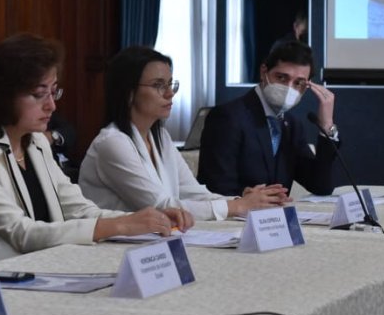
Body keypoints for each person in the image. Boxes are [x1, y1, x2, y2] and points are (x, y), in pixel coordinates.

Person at [0, 34, 192, 260]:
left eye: (54, 92)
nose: (52, 106)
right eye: (40, 94)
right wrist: (122, 225)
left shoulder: (35, 142)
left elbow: (80, 210)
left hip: (50, 266)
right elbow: (20, 232)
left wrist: (148, 218)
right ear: (4, 93)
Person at [79, 47, 285, 221]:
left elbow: (192, 191)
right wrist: (237, 207)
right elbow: (161, 206)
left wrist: (240, 201)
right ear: (128, 92)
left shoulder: (159, 135)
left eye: (170, 84)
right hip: (109, 248)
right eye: (158, 85)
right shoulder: (112, 143)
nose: (170, 93)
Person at [197, 41, 339, 198]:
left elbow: (321, 186)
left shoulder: (291, 125)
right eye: (281, 78)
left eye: (298, 83)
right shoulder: (228, 117)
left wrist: (327, 126)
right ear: (263, 72)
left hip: (275, 219)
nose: (289, 88)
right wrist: (246, 197)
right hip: (237, 218)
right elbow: (215, 187)